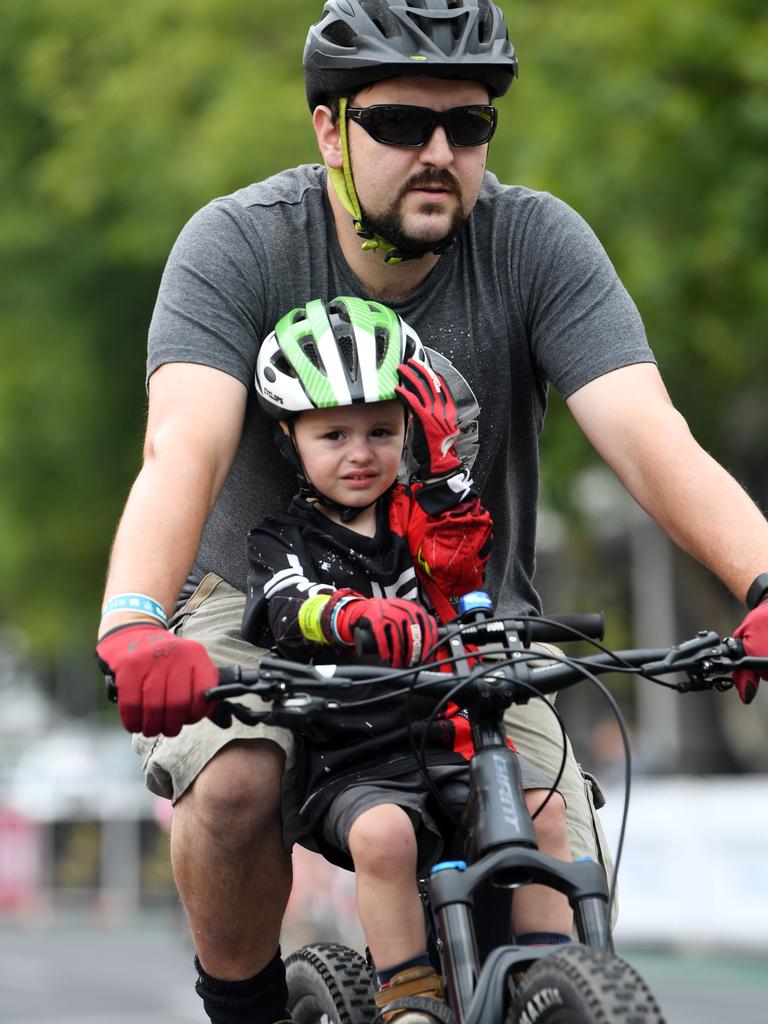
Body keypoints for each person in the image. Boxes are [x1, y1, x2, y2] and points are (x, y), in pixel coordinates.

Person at [95, 3, 768, 1022]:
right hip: (256, 603)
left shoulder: (536, 242)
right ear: (330, 128)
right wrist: (135, 617)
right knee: (233, 784)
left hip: (460, 612)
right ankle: (242, 1009)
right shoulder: (236, 245)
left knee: (550, 838)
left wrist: (762, 577)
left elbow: (649, 435)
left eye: (470, 124)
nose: (440, 152)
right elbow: (179, 446)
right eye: (403, 123)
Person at [241, 295, 573, 1022]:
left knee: (545, 808)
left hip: (449, 739)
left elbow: (457, 569)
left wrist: (444, 467)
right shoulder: (282, 538)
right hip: (354, 763)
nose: (360, 453)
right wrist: (350, 615)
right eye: (333, 434)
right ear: (288, 441)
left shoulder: (420, 513)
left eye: (382, 431)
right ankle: (408, 994)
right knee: (387, 836)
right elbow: (280, 602)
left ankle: (556, 978)